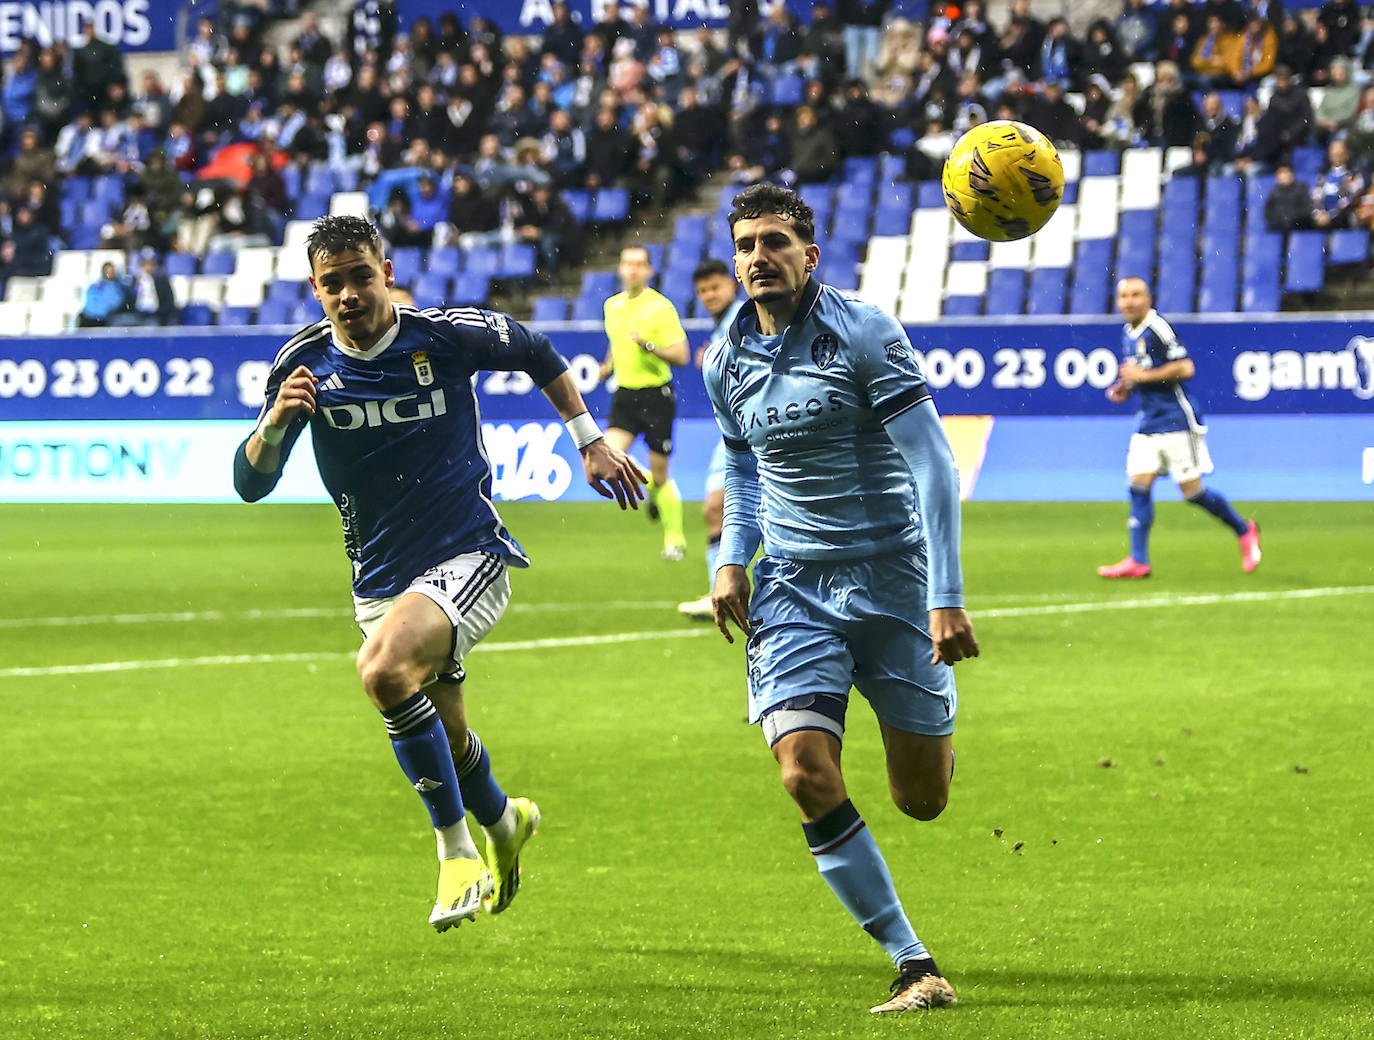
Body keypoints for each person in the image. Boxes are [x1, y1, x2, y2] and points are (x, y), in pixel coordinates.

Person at [233, 216, 645, 933]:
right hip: (381, 578)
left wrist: (590, 441)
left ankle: (455, 851)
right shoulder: (302, 365)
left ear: (386, 272)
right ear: (315, 290)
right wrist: (272, 426)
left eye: (361, 276)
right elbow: (250, 484)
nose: (349, 294)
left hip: (469, 553)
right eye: (332, 284)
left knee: (384, 672)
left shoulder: (446, 335)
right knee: (448, 741)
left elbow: (538, 349)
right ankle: (504, 819)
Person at [703, 184, 979, 1015]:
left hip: (895, 583)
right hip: (793, 588)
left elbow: (934, 462)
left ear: (809, 255)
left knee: (920, 801)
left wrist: (946, 594)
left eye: (776, 241)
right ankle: (913, 962)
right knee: (802, 770)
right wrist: (729, 561)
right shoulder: (724, 359)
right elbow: (746, 470)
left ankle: (931, 735)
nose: (759, 257)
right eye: (746, 243)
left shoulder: (864, 331)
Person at [1099, 277, 1261, 579]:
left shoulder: (1158, 328)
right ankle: (1139, 560)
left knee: (1192, 493)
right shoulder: (1128, 333)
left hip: (1176, 421)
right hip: (1149, 421)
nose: (1130, 301)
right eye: (1124, 296)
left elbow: (1185, 368)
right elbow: (1143, 371)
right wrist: (1126, 387)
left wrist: (1142, 377)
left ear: (1148, 298)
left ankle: (1245, 529)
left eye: (1136, 295)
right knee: (1138, 486)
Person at [598, 244, 690, 560]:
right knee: (607, 460)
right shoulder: (611, 305)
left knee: (662, 475)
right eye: (627, 263)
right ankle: (654, 490)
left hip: (656, 396)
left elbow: (681, 355)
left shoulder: (660, 308)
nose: (632, 269)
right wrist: (607, 366)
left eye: (639, 264)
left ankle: (674, 540)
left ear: (649, 271)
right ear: (620, 269)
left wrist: (649, 345)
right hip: (625, 395)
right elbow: (616, 341)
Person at [677, 259, 744, 620]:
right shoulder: (725, 325)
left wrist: (716, 358)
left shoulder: (742, 320)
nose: (709, 296)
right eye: (703, 291)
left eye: (715, 287)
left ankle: (726, 592)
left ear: (732, 285)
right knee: (715, 510)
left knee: (719, 509)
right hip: (732, 431)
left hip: (753, 431)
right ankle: (722, 593)